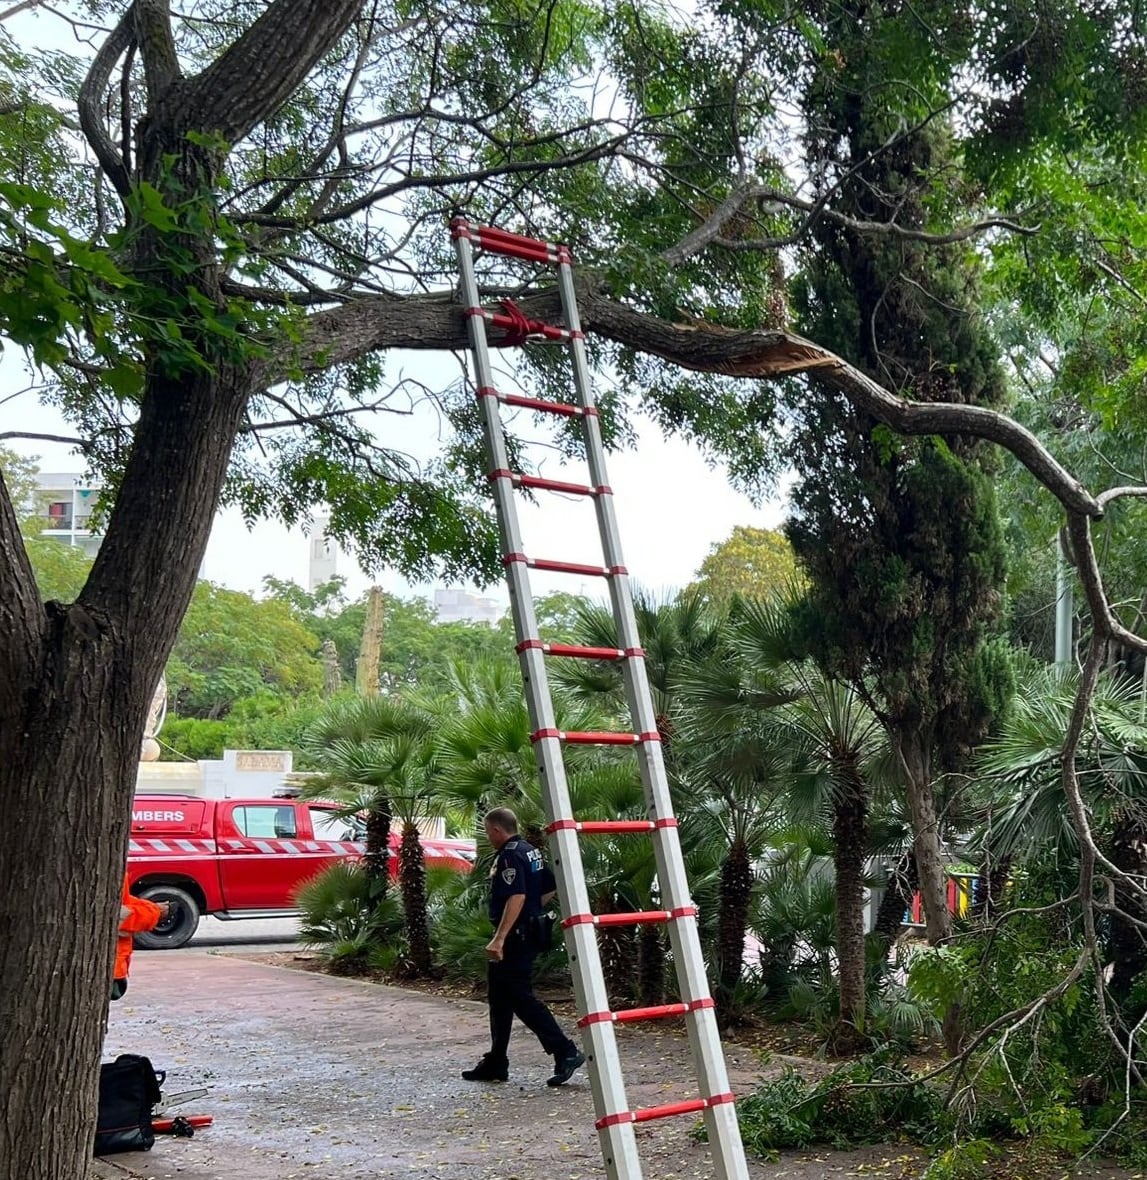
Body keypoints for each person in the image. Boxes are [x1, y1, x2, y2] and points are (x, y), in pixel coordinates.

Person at [462, 807, 585, 1086]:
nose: (488, 837)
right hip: (525, 930)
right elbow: (549, 887)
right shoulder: (530, 850)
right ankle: (496, 1061)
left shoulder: (510, 855)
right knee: (500, 998)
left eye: (487, 831)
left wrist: (501, 936)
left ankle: (565, 1050)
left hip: (515, 937)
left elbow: (516, 895)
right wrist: (532, 910)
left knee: (520, 997)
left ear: (495, 830)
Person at [112, 876, 167, 1000]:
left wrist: (151, 908)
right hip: (112, 965)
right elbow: (117, 916)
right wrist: (154, 913)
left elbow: (123, 901)